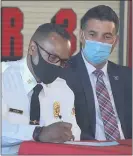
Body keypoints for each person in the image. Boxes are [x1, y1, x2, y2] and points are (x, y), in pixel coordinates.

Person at [2, 23, 81, 155]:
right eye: (53, 57)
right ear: (33, 48)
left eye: (63, 62)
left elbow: (74, 135)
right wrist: (38, 133)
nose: (57, 66)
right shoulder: (3, 78)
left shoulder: (63, 89)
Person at [62, 5, 132, 141]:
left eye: (107, 37)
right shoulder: (63, 75)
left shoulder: (128, 77)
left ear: (115, 41)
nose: (99, 42)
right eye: (93, 35)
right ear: (82, 36)